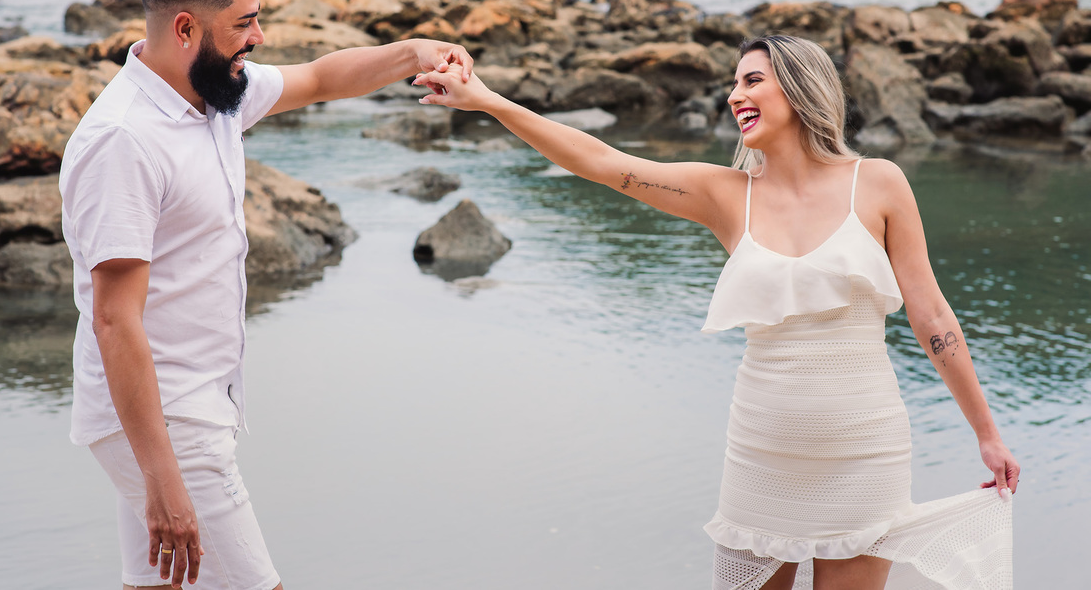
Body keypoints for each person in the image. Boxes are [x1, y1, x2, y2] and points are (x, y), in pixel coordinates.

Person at [413, 34, 1018, 589]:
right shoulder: (725, 195)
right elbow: (601, 163)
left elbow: (933, 317)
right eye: (734, 84)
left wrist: (987, 436)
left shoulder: (880, 183)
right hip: (762, 451)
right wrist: (490, 101)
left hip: (864, 449)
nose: (735, 96)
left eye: (752, 81)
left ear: (800, 87)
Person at [58, 0, 471, 590]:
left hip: (183, 406)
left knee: (160, 584)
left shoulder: (213, 95)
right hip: (165, 418)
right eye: (245, 23)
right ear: (186, 28)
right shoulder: (124, 140)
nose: (258, 37)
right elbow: (114, 319)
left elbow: (318, 77)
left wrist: (414, 51)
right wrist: (163, 478)